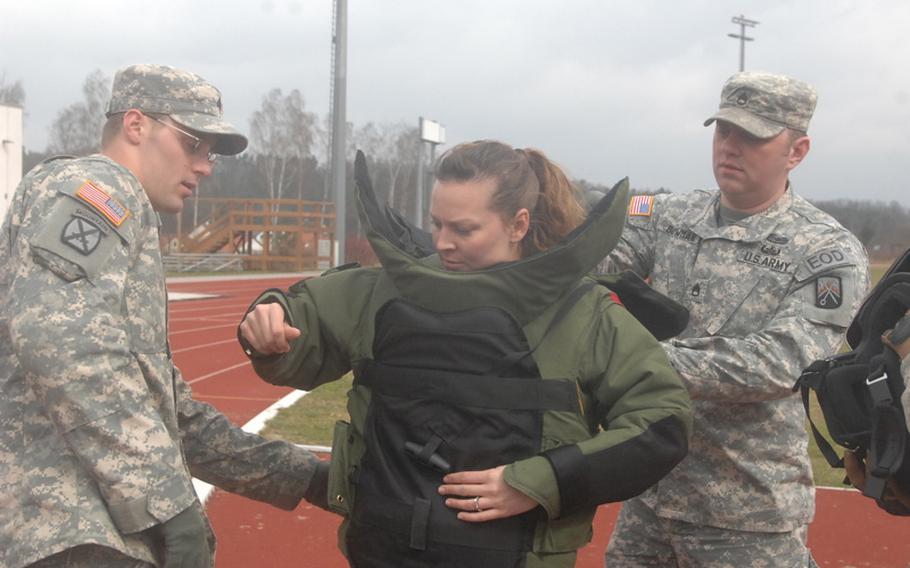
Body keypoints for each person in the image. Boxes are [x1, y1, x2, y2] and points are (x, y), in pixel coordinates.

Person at [239, 140, 693, 567]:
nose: (441, 243)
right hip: (382, 550)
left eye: (464, 229)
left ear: (518, 224)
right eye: (436, 223)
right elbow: (302, 328)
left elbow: (662, 423)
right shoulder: (384, 290)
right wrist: (268, 325)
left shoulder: (583, 312)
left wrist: (537, 483)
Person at [0, 64, 328, 568]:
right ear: (136, 126)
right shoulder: (97, 190)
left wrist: (305, 476)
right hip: (64, 535)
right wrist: (168, 505)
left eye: (211, 153)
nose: (206, 165)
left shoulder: (126, 219)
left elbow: (171, 414)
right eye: (193, 143)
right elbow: (61, 341)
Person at [602, 71, 870, 567]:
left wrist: (635, 358)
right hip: (650, 492)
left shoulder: (827, 251)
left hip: (745, 514)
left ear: (797, 151)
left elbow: (785, 363)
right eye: (724, 131)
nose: (731, 147)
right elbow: (593, 261)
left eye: (752, 137)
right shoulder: (666, 214)